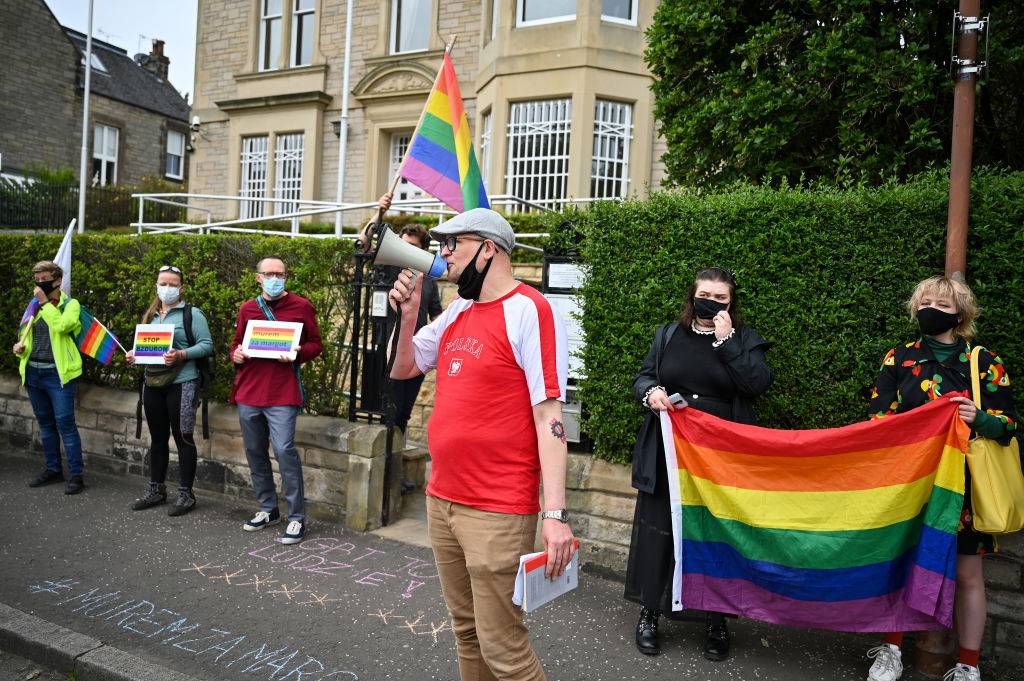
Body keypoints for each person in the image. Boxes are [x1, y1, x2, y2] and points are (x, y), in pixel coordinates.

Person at [388, 208, 574, 681]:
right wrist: (408, 316)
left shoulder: (531, 309)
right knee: (466, 632)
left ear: (488, 248)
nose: (443, 254)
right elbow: (403, 368)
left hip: (496, 507)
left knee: (504, 649)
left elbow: (549, 416)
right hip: (442, 499)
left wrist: (554, 517)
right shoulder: (457, 310)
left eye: (454, 243)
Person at [864, 276, 1017, 681]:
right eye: (925, 301)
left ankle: (968, 664)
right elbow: (879, 419)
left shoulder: (984, 362)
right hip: (911, 480)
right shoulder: (898, 358)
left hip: (965, 486)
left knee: (968, 574)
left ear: (960, 313)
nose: (931, 308)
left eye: (942, 304)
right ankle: (891, 650)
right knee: (903, 561)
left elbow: (1009, 425)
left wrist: (978, 417)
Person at [626, 267, 772, 660]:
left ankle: (716, 621)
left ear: (731, 304)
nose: (712, 302)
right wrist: (652, 391)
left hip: (719, 458)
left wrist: (726, 343)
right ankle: (649, 614)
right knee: (660, 530)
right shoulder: (668, 335)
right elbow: (642, 377)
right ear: (692, 296)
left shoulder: (742, 339)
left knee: (715, 535)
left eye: (721, 298)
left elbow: (756, 384)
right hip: (668, 450)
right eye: (705, 294)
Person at [231, 256, 323, 545]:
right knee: (254, 451)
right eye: (269, 273)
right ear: (258, 277)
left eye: (280, 274)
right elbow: (237, 343)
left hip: (282, 392)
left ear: (286, 276)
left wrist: (298, 352)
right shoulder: (248, 308)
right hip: (250, 391)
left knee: (284, 451)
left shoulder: (301, 306)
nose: (275, 278)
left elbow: (315, 344)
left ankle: (296, 517)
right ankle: (268, 509)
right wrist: (235, 354)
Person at [125, 265, 214, 516]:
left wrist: (181, 354)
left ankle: (186, 494)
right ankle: (156, 490)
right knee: (157, 438)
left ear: (181, 288)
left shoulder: (192, 314)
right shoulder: (151, 316)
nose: (167, 288)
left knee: (183, 437)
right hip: (152, 383)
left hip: (183, 383)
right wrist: (135, 356)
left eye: (173, 284)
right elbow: (146, 349)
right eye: (163, 283)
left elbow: (207, 345)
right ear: (156, 285)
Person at [13, 261, 86, 494]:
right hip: (34, 372)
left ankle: (76, 475)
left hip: (58, 375)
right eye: (37, 279)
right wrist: (21, 347)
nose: (39, 283)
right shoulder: (33, 305)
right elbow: (25, 332)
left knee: (66, 424)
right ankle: (53, 470)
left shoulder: (70, 305)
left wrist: (45, 304)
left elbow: (64, 327)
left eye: (44, 279)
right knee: (45, 424)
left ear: (57, 281)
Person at [376, 195, 444, 433]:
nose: (404, 251)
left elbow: (436, 314)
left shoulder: (428, 281)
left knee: (404, 411)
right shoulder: (389, 268)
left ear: (424, 250)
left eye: (412, 247)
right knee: (387, 409)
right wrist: (380, 212)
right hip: (388, 349)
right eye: (402, 244)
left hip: (417, 351)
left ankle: (397, 454)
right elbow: (363, 244)